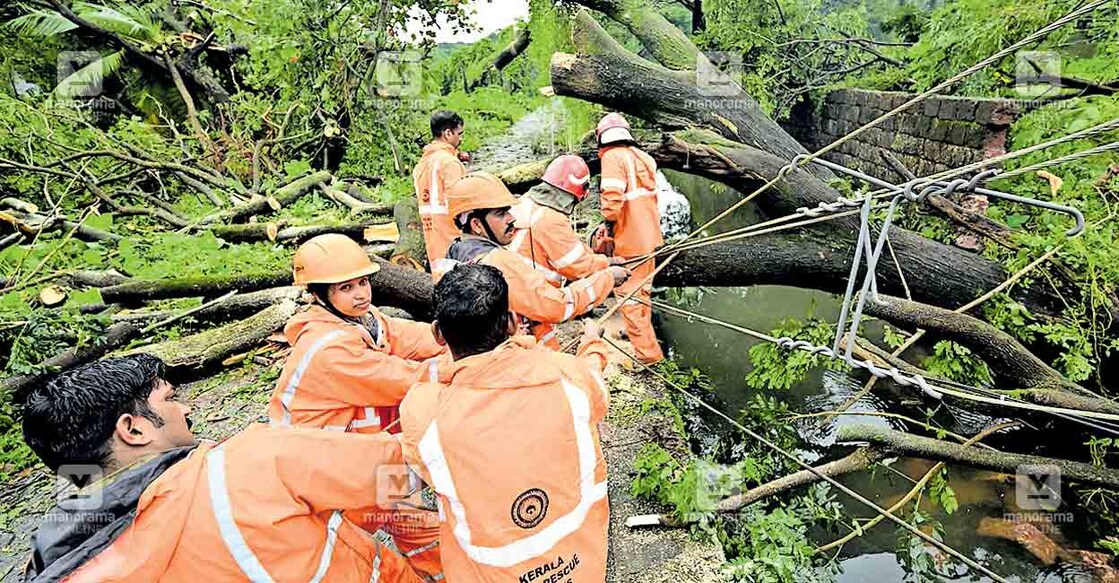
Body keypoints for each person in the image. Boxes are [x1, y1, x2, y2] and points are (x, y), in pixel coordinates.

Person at [21, 354, 425, 582]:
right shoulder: (249, 463)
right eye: (169, 400)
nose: (186, 409)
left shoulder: (55, 564)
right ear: (134, 428)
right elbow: (402, 470)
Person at [399, 264, 610, 582]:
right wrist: (593, 344)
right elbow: (595, 384)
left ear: (437, 334)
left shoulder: (424, 411)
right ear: (513, 323)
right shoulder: (569, 374)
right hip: (580, 564)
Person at [267, 233, 444, 579]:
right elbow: (404, 379)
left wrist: (455, 334)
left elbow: (412, 337)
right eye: (346, 288)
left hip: (354, 463)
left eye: (363, 282)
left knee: (410, 519)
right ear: (319, 295)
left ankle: (443, 571)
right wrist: (469, 362)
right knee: (350, 556)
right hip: (317, 479)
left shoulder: (365, 320)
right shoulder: (327, 349)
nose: (361, 293)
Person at [433, 171, 629, 348]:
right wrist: (608, 278)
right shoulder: (499, 263)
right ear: (476, 224)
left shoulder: (453, 255)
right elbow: (558, 305)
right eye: (501, 213)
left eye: (508, 210)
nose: (511, 218)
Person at [508, 154, 620, 348]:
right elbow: (577, 267)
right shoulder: (551, 219)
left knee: (544, 349)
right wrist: (607, 265)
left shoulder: (527, 202)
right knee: (543, 354)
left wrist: (593, 256)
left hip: (514, 292)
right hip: (531, 300)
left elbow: (567, 245)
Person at [595, 112, 665, 364]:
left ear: (601, 139)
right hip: (650, 237)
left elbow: (612, 202)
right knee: (642, 293)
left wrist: (607, 226)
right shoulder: (643, 157)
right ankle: (643, 338)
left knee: (630, 298)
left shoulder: (613, 158)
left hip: (629, 240)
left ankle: (647, 356)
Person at [413, 110, 469, 267]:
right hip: (454, 242)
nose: (461, 138)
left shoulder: (421, 165)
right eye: (460, 133)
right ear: (448, 133)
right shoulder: (449, 163)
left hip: (432, 241)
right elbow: (462, 204)